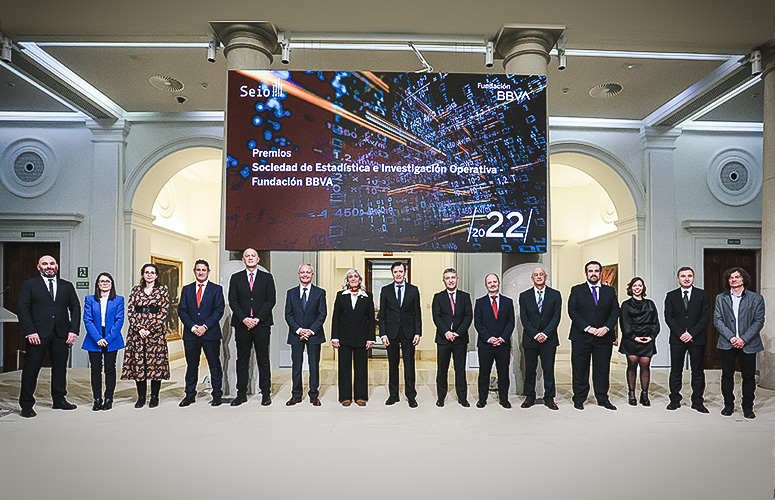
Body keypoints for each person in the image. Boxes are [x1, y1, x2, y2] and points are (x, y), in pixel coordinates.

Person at [17, 255, 80, 418]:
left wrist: (73, 330)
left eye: (52, 263)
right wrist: (30, 331)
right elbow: (22, 309)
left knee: (60, 368)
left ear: (56, 266)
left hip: (61, 334)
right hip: (37, 334)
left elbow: (75, 308)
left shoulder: (67, 286)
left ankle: (59, 400)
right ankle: (26, 405)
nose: (49, 266)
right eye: (44, 264)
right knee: (31, 370)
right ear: (39, 267)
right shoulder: (30, 285)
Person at [714, 267, 765, 419]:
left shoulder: (756, 298)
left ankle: (748, 407)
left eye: (737, 277)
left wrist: (743, 339)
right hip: (727, 342)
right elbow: (717, 320)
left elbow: (758, 321)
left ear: (743, 279)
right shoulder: (721, 298)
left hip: (748, 344)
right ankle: (728, 405)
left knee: (748, 377)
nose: (733, 280)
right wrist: (731, 337)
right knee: (727, 375)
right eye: (731, 277)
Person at [568, 261, 620, 410]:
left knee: (602, 369)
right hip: (581, 336)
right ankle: (579, 398)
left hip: (604, 337)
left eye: (596, 271)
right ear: (586, 273)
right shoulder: (577, 290)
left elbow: (615, 311)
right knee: (580, 369)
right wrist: (588, 328)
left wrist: (606, 328)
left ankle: (602, 398)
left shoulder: (609, 291)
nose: (593, 274)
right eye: (590, 271)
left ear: (601, 273)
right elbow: (572, 311)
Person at [228, 248, 276, 407]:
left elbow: (271, 300)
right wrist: (244, 318)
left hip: (261, 324)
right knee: (242, 360)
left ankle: (265, 393)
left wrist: (257, 319)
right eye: (247, 256)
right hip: (242, 325)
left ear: (258, 259)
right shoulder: (236, 278)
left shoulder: (267, 277)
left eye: (253, 256)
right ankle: (241, 394)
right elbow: (233, 300)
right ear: (243, 259)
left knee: (263, 359)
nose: (250, 258)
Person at [121, 263, 170, 408]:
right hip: (137, 334)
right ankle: (141, 397)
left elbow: (164, 311)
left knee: (156, 364)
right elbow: (131, 311)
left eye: (152, 272)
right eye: (146, 272)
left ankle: (154, 396)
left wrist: (150, 329)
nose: (149, 275)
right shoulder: (135, 290)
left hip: (155, 334)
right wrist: (139, 328)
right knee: (139, 364)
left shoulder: (162, 290)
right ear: (143, 274)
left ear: (156, 275)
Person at [177, 259, 225, 407]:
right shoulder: (187, 289)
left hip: (210, 334)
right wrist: (193, 327)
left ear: (208, 272)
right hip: (191, 334)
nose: (201, 272)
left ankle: (217, 395)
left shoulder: (216, 289)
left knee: (214, 365)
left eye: (203, 270)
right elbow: (182, 310)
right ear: (194, 271)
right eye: (198, 270)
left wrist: (205, 326)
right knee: (192, 365)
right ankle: (190, 395)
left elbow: (219, 310)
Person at [664, 266, 710, 413]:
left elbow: (705, 317)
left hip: (697, 339)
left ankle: (697, 401)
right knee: (676, 371)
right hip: (677, 339)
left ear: (693, 278)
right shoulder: (671, 295)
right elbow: (668, 317)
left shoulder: (702, 294)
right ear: (678, 279)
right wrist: (680, 333)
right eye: (683, 276)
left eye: (689, 276)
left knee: (697, 371)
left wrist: (691, 333)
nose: (686, 278)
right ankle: (674, 400)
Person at [379, 261, 422, 407]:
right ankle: (393, 395)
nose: (398, 274)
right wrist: (383, 334)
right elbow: (382, 314)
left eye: (401, 271)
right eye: (396, 272)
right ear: (392, 273)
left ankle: (411, 396)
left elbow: (417, 313)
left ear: (405, 273)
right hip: (391, 332)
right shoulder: (385, 290)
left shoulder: (413, 290)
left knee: (409, 365)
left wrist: (418, 332)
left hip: (409, 332)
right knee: (393, 365)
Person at [518, 267, 562, 410]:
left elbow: (556, 317)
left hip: (549, 339)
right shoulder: (524, 296)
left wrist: (545, 334)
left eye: (541, 274)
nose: (539, 277)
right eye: (536, 275)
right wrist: (536, 334)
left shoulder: (555, 295)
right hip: (531, 339)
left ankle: (549, 398)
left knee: (548, 370)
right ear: (532, 278)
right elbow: (524, 318)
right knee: (530, 370)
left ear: (546, 277)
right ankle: (529, 397)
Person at [284, 264, 327, 406]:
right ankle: (296, 395)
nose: (305, 275)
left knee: (314, 365)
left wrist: (310, 331)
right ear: (298, 274)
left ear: (312, 274)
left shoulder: (320, 293)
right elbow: (288, 314)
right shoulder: (291, 293)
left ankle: (314, 395)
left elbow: (322, 314)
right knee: (296, 366)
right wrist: (299, 330)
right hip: (296, 334)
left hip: (314, 335)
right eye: (302, 272)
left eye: (308, 272)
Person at [331, 269, 375, 406]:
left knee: (361, 368)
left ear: (360, 279)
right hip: (344, 338)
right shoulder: (341, 295)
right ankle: (345, 397)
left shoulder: (367, 296)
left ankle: (360, 396)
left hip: (362, 338)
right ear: (347, 280)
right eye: (350, 277)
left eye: (356, 276)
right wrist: (334, 337)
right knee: (344, 368)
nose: (353, 279)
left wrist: (371, 338)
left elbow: (371, 319)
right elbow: (335, 317)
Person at [82, 272, 125, 411]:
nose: (105, 283)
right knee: (95, 370)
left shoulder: (119, 300)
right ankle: (97, 399)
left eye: (107, 281)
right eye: (102, 281)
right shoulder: (90, 299)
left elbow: (119, 320)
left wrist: (107, 339)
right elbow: (87, 320)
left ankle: (108, 398)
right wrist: (98, 338)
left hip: (112, 338)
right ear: (98, 284)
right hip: (94, 337)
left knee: (110, 369)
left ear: (111, 284)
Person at [431, 268, 473, 407]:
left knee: (460, 369)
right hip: (443, 339)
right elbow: (436, 316)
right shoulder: (438, 297)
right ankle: (441, 397)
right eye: (447, 278)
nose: (450, 280)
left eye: (453, 277)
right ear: (444, 281)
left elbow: (468, 316)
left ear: (457, 279)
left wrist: (458, 333)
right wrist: (446, 332)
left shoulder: (465, 296)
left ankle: (462, 397)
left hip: (460, 339)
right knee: (442, 370)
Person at [474, 273, 514, 409]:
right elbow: (478, 324)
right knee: (484, 373)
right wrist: (489, 338)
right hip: (485, 345)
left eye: (494, 282)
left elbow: (511, 323)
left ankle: (504, 399)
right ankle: (482, 399)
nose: (492, 284)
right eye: (490, 282)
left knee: (503, 373)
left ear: (499, 283)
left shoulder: (508, 302)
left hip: (503, 344)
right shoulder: (480, 302)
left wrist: (502, 338)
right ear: (486, 285)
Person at [618, 277, 659, 407]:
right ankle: (631, 394)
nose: (637, 288)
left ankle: (644, 394)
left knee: (645, 365)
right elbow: (624, 324)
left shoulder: (650, 304)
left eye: (640, 285)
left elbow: (655, 322)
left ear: (643, 288)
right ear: (631, 288)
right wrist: (634, 337)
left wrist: (651, 336)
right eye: (635, 286)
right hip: (631, 339)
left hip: (647, 338)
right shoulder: (626, 305)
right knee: (632, 364)